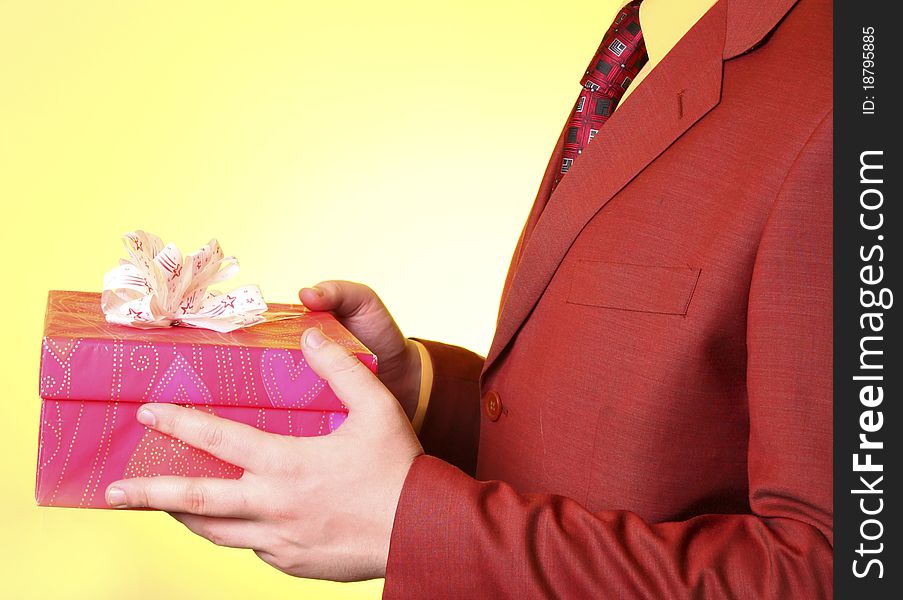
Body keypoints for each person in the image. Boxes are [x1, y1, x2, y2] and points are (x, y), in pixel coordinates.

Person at [105, 0, 833, 596]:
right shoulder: (647, 38)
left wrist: (411, 523)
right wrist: (420, 391)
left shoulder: (851, 84)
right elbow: (648, 430)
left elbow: (832, 572)